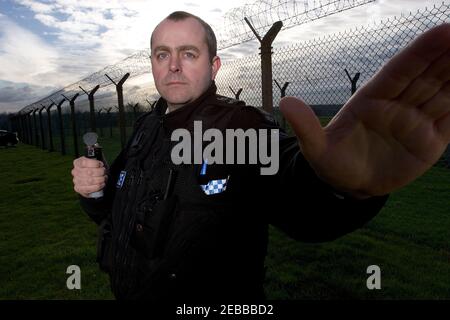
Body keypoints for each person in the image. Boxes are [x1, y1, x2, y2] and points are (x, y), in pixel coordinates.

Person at [71, 11, 450, 300]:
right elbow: (116, 211)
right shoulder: (145, 127)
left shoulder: (238, 126)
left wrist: (340, 186)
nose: (173, 65)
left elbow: (294, 190)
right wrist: (95, 192)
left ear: (213, 65)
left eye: (189, 53)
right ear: (152, 64)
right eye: (162, 54)